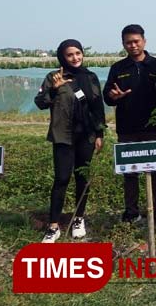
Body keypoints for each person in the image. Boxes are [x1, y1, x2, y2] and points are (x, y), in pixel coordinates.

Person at [35, 39, 106, 243]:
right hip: (63, 136)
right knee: (61, 179)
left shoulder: (90, 77)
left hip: (86, 136)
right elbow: (40, 102)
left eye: (78, 53)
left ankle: (79, 219)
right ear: (62, 57)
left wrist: (99, 134)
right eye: (69, 55)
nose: (75, 58)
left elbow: (97, 107)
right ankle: (54, 226)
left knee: (82, 178)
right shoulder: (54, 77)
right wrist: (55, 89)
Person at [104, 24, 156, 225]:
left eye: (136, 41)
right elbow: (108, 96)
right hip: (128, 128)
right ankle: (131, 211)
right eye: (128, 42)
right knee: (130, 173)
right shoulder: (118, 68)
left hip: (155, 128)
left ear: (144, 41)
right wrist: (114, 96)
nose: (132, 45)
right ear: (123, 44)